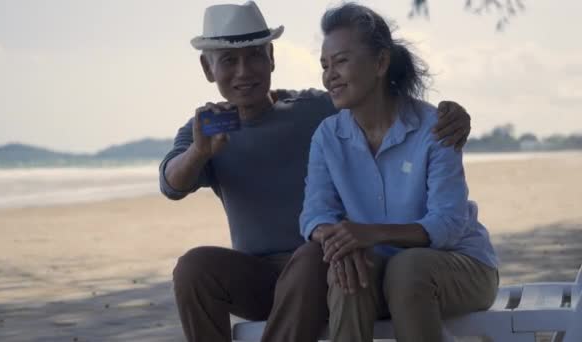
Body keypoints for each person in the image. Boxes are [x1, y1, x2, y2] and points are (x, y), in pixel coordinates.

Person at [160, 1, 472, 341]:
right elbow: (171, 183)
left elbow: (378, 95)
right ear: (208, 68)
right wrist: (198, 152)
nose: (243, 72)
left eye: (255, 56)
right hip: (259, 276)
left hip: (328, 263)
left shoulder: (317, 109)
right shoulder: (203, 131)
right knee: (192, 268)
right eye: (229, 61)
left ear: (272, 58)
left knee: (311, 255)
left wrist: (453, 114)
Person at [299, 3, 499, 342]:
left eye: (342, 61)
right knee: (348, 270)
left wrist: (371, 233)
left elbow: (447, 225)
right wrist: (340, 242)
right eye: (324, 65)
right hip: (379, 270)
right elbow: (315, 213)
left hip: (460, 266)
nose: (329, 74)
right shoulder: (327, 136)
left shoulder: (436, 127)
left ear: (380, 63)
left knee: (407, 270)